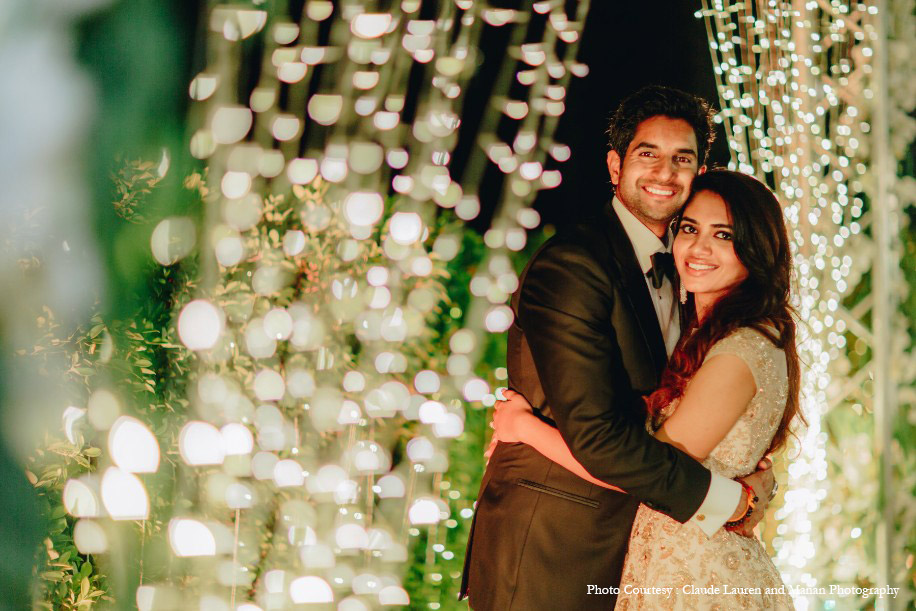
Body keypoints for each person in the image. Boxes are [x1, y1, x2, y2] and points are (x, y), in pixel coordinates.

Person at [459, 86, 775, 610]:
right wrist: (730, 502)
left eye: (683, 159)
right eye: (647, 153)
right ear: (615, 164)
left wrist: (755, 477)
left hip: (642, 550)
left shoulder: (691, 271)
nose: (664, 172)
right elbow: (600, 438)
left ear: (700, 172)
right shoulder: (574, 265)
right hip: (555, 544)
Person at [493, 169, 802, 609]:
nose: (698, 247)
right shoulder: (710, 334)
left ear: (756, 249)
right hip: (671, 566)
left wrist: (523, 427)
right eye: (690, 229)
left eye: (723, 234)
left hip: (699, 580)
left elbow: (645, 473)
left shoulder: (740, 349)